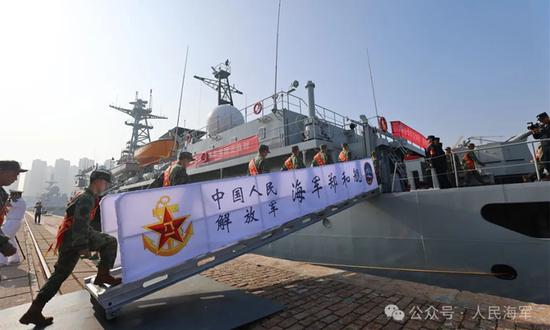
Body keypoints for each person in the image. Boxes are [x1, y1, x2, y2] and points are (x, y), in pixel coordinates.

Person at [20, 169, 121, 327]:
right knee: (111, 241)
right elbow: (80, 223)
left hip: (69, 237)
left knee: (60, 274)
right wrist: (82, 246)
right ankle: (103, 275)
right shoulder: (87, 198)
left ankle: (34, 310)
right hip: (76, 236)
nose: (107, 185)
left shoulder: (85, 195)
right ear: (98, 181)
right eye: (106, 182)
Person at [0, 161, 25, 260]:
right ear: (2, 172)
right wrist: (2, 243)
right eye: (15, 174)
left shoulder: (2, 193)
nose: (15, 178)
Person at [0, 190, 26, 265]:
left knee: (4, 240)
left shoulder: (20, 201)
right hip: (12, 222)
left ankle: (2, 261)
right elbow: (9, 209)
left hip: (13, 222)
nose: (11, 196)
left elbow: (8, 204)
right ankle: (15, 258)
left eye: (12, 195)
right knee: (11, 239)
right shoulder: (16, 202)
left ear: (17, 195)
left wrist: (5, 198)